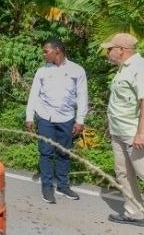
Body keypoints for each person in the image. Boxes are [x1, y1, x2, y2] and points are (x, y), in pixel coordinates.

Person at [25, 38, 88, 204]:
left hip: (67, 118)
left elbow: (82, 96)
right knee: (45, 152)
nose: (44, 54)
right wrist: (29, 116)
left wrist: (80, 120)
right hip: (45, 117)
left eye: (46, 51)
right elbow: (34, 95)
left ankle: (62, 185)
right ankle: (47, 187)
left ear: (57, 50)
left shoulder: (77, 70)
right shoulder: (42, 71)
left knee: (64, 153)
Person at [101, 33, 144, 225]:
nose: (108, 52)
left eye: (110, 49)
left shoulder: (138, 68)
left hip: (132, 133)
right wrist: (110, 126)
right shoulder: (123, 69)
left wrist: (141, 133)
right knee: (124, 173)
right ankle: (135, 212)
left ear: (122, 50)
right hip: (119, 131)